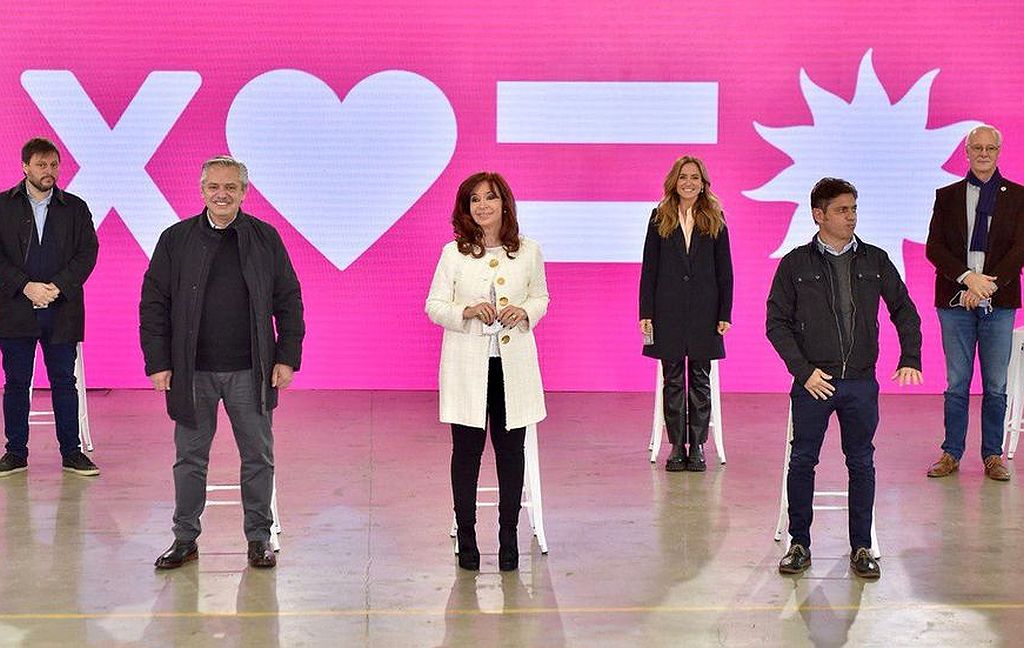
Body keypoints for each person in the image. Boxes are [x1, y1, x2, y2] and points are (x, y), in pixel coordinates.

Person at [140, 155, 304, 570]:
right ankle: (185, 538)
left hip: (252, 370)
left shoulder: (265, 238)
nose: (222, 194)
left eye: (231, 187)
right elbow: (153, 305)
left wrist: (287, 356)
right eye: (214, 186)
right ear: (201, 191)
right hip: (191, 372)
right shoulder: (175, 239)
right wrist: (158, 363)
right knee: (190, 459)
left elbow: (289, 301)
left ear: (245, 192)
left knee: (257, 457)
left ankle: (258, 538)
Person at [766, 177, 922, 580]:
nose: (851, 216)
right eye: (842, 209)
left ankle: (861, 548)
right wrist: (804, 373)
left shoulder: (875, 260)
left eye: (854, 208)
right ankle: (799, 544)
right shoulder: (795, 264)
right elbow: (776, 323)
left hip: (860, 383)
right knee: (803, 461)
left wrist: (911, 356)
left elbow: (904, 309)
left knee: (861, 463)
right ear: (819, 215)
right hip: (814, 383)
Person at [425, 171, 549, 572]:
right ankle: (467, 534)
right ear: (466, 208)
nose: (483, 206)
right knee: (467, 453)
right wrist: (466, 311)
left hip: (513, 368)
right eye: (474, 200)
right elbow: (434, 305)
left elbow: (541, 296)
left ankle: (508, 534)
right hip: (467, 366)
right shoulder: (453, 253)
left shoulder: (528, 251)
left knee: (512, 453)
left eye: (490, 198)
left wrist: (525, 312)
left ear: (504, 204)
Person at [925, 125, 1024, 482]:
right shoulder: (947, 195)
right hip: (954, 301)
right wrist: (968, 279)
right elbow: (934, 248)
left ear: (999, 152)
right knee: (956, 382)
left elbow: (1019, 250)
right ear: (966, 153)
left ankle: (992, 455)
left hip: (999, 302)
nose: (983, 153)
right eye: (977, 148)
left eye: (990, 148)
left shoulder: (1018, 196)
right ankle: (951, 452)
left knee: (996, 384)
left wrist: (986, 287)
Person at [0, 137, 99, 477]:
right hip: (14, 308)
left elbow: (88, 253)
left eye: (54, 164)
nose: (49, 171)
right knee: (16, 382)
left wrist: (57, 287)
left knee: (63, 381)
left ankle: (72, 453)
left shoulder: (75, 207)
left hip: (62, 309)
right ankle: (15, 452)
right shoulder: (3, 205)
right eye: (41, 165)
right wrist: (25, 286)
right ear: (25, 166)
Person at [639, 155, 733, 472]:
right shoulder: (659, 217)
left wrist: (725, 313)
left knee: (700, 379)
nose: (689, 182)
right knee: (674, 379)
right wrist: (646, 312)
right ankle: (677, 446)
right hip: (668, 312)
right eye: (683, 177)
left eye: (694, 177)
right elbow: (649, 270)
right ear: (674, 182)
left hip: (706, 313)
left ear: (703, 183)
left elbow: (725, 273)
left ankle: (698, 447)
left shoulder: (716, 218)